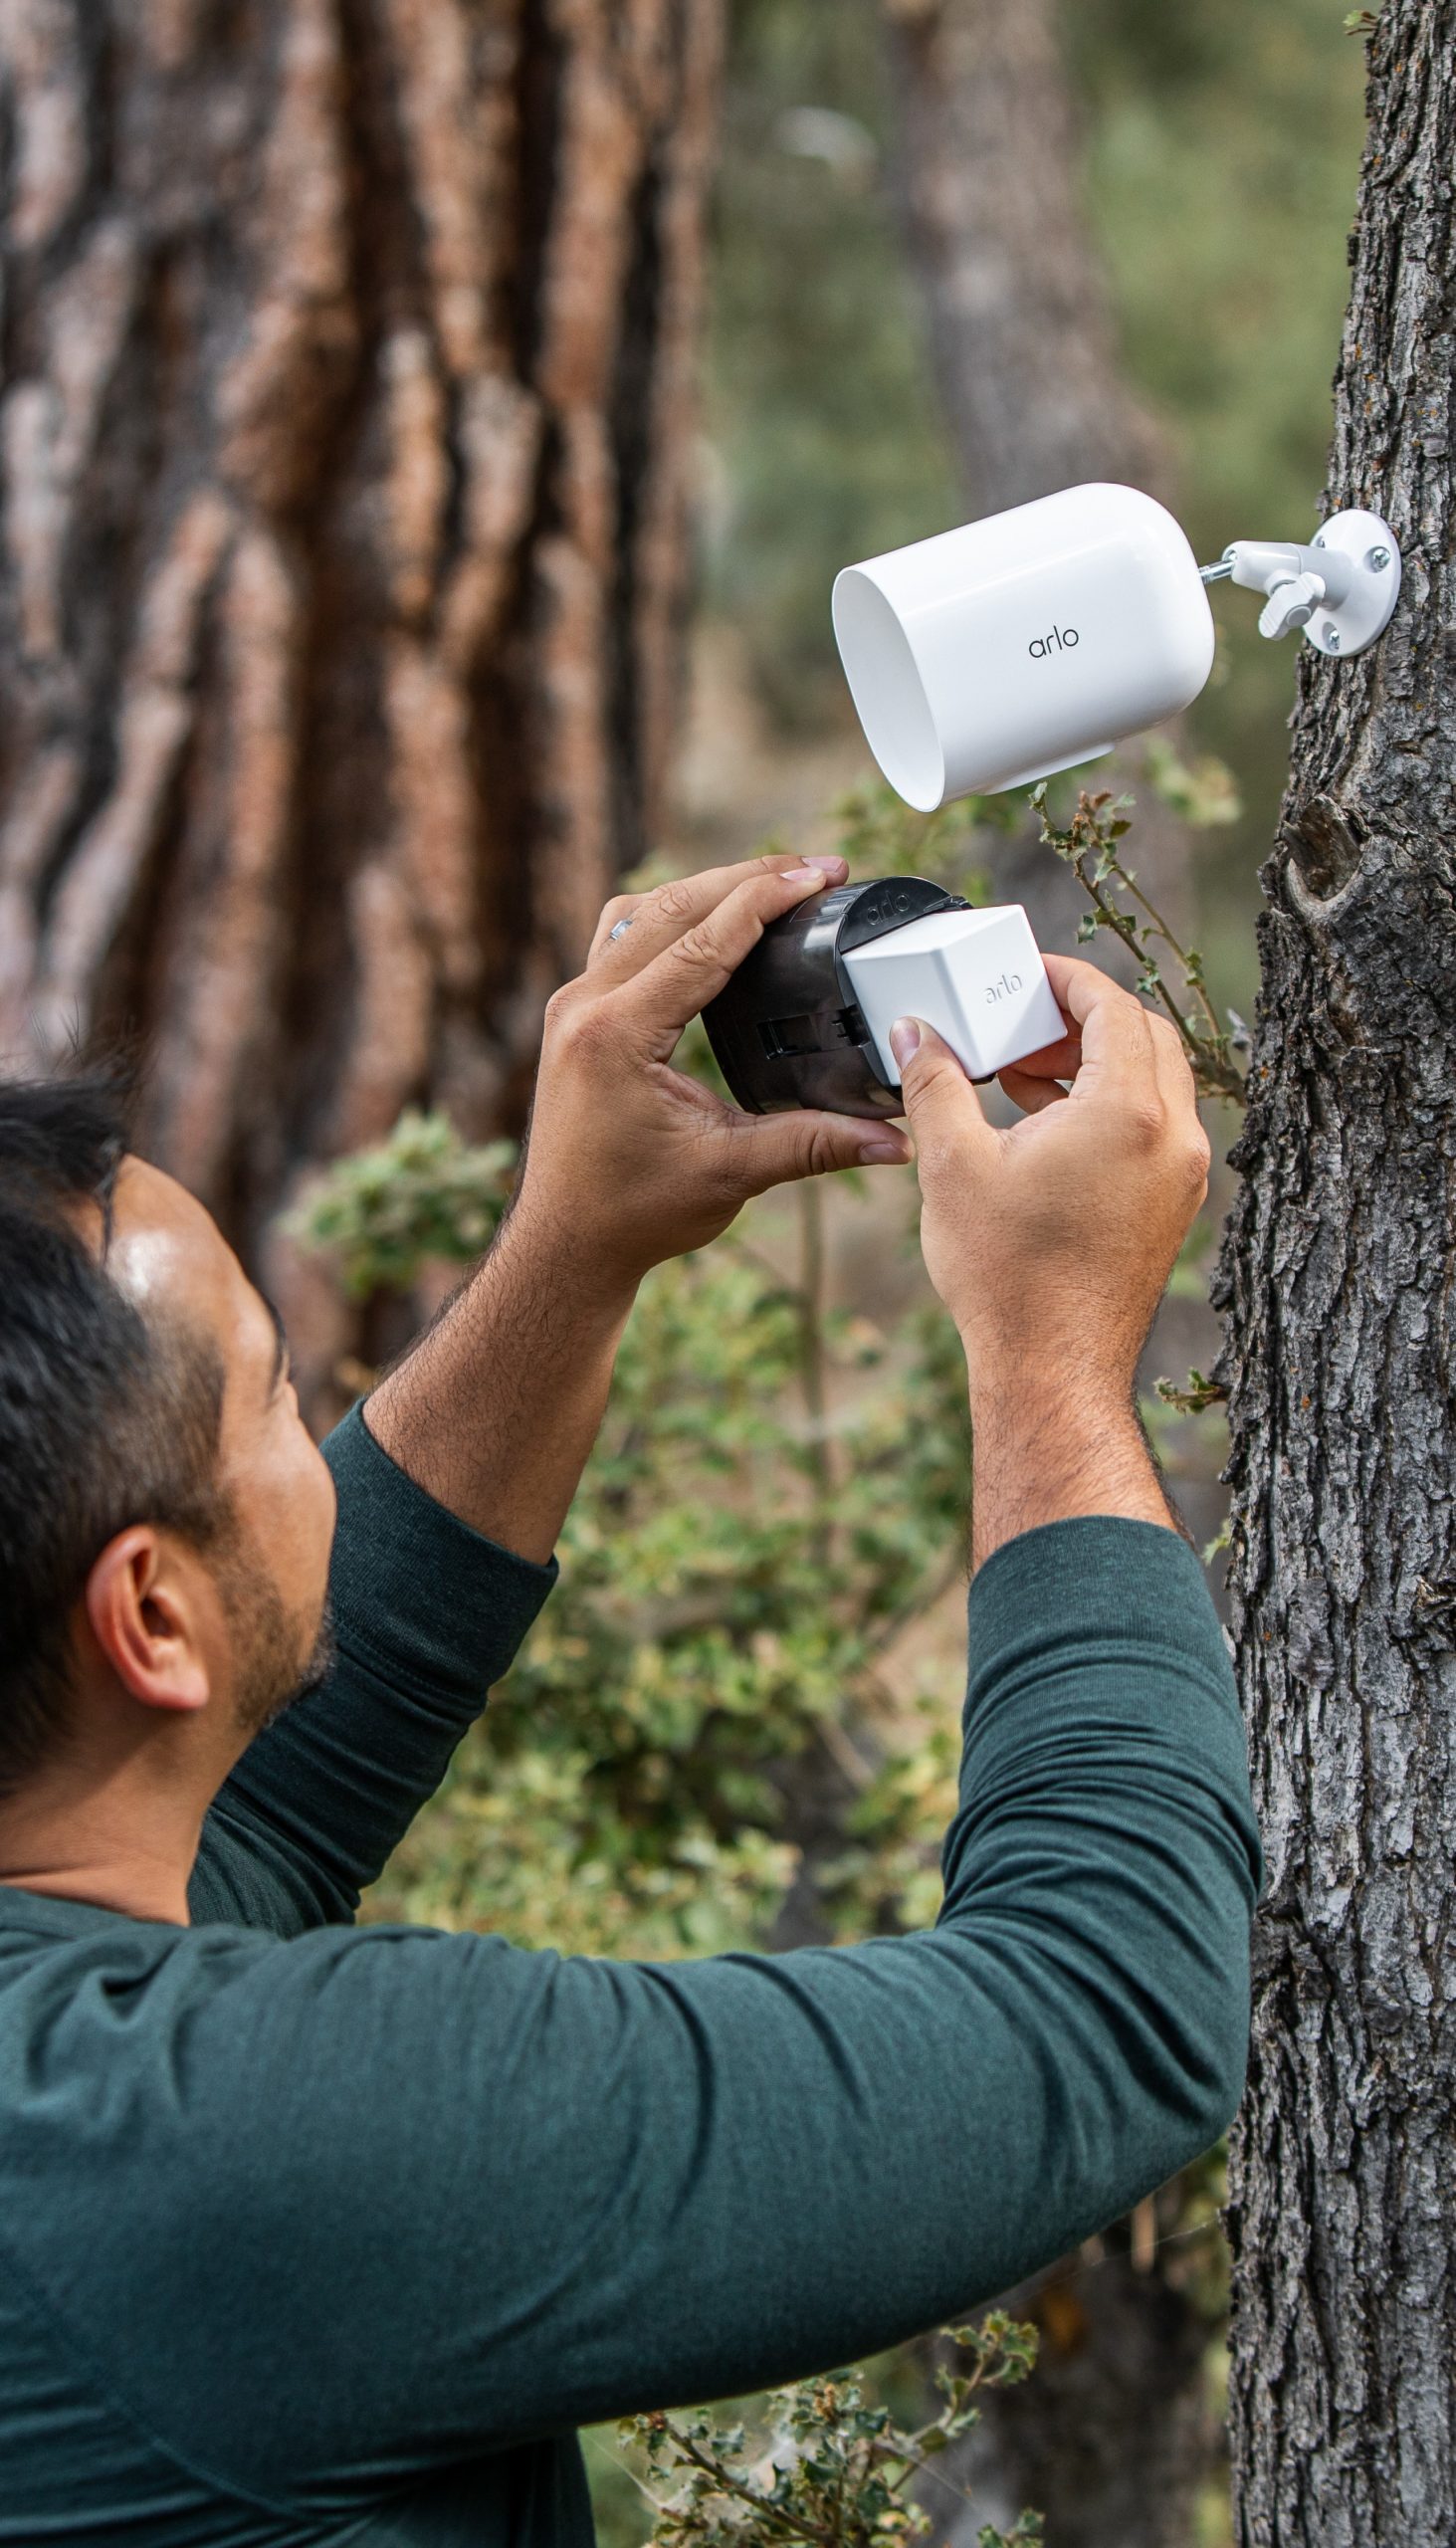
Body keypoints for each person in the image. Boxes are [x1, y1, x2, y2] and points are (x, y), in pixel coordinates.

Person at [0, 850, 1258, 2548]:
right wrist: (1046, 1355)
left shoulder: (71, 1947)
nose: (322, 1427)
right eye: (284, 1398)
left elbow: (266, 1798)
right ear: (148, 1617)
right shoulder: (252, 2147)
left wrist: (573, 1248)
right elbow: (1106, 2012)